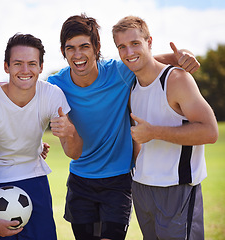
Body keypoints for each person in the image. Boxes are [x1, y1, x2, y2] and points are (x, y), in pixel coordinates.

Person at [47, 14, 201, 240]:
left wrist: (187, 55)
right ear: (63, 51)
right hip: (80, 181)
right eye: (70, 48)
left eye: (84, 47)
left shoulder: (119, 72)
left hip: (118, 180)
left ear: (97, 47)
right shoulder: (55, 86)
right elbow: (25, 94)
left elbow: (159, 60)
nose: (77, 55)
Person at [112, 16, 218, 239]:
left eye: (135, 44)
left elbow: (210, 131)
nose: (129, 52)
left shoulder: (176, 79)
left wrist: (155, 133)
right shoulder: (130, 86)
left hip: (177, 189)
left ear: (149, 42)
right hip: (141, 187)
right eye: (122, 47)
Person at [0, 33, 83, 239]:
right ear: (6, 67)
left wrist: (71, 132)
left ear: (40, 67)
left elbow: (74, 153)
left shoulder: (52, 95)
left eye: (32, 63)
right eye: (18, 63)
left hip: (35, 181)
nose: (25, 70)